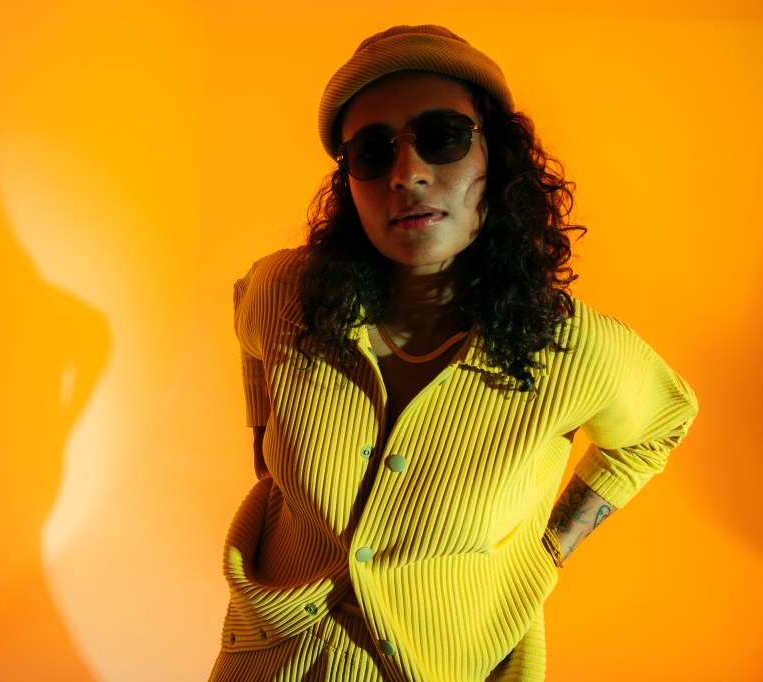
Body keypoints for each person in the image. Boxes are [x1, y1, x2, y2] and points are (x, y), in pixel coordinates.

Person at [208, 24, 697, 682]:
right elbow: (248, 317)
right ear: (349, 182)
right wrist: (268, 445)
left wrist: (552, 546)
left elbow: (664, 420)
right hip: (264, 658)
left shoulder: (571, 348)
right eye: (373, 152)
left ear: (497, 157)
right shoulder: (285, 294)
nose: (407, 173)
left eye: (442, 138)